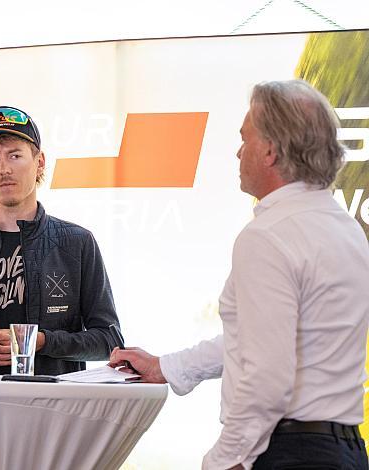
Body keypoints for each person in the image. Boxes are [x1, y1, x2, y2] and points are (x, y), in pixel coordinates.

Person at [110, 80, 369, 469]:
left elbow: (267, 377)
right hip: (345, 451)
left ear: (270, 150)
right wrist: (166, 367)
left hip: (288, 454)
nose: (237, 151)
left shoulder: (268, 236)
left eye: (245, 139)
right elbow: (260, 340)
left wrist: (225, 460)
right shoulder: (345, 228)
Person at [0, 105, 120, 375]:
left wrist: (44, 342)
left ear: (39, 161)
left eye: (14, 156)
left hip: (52, 406)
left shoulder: (77, 243)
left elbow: (109, 341)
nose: (3, 169)